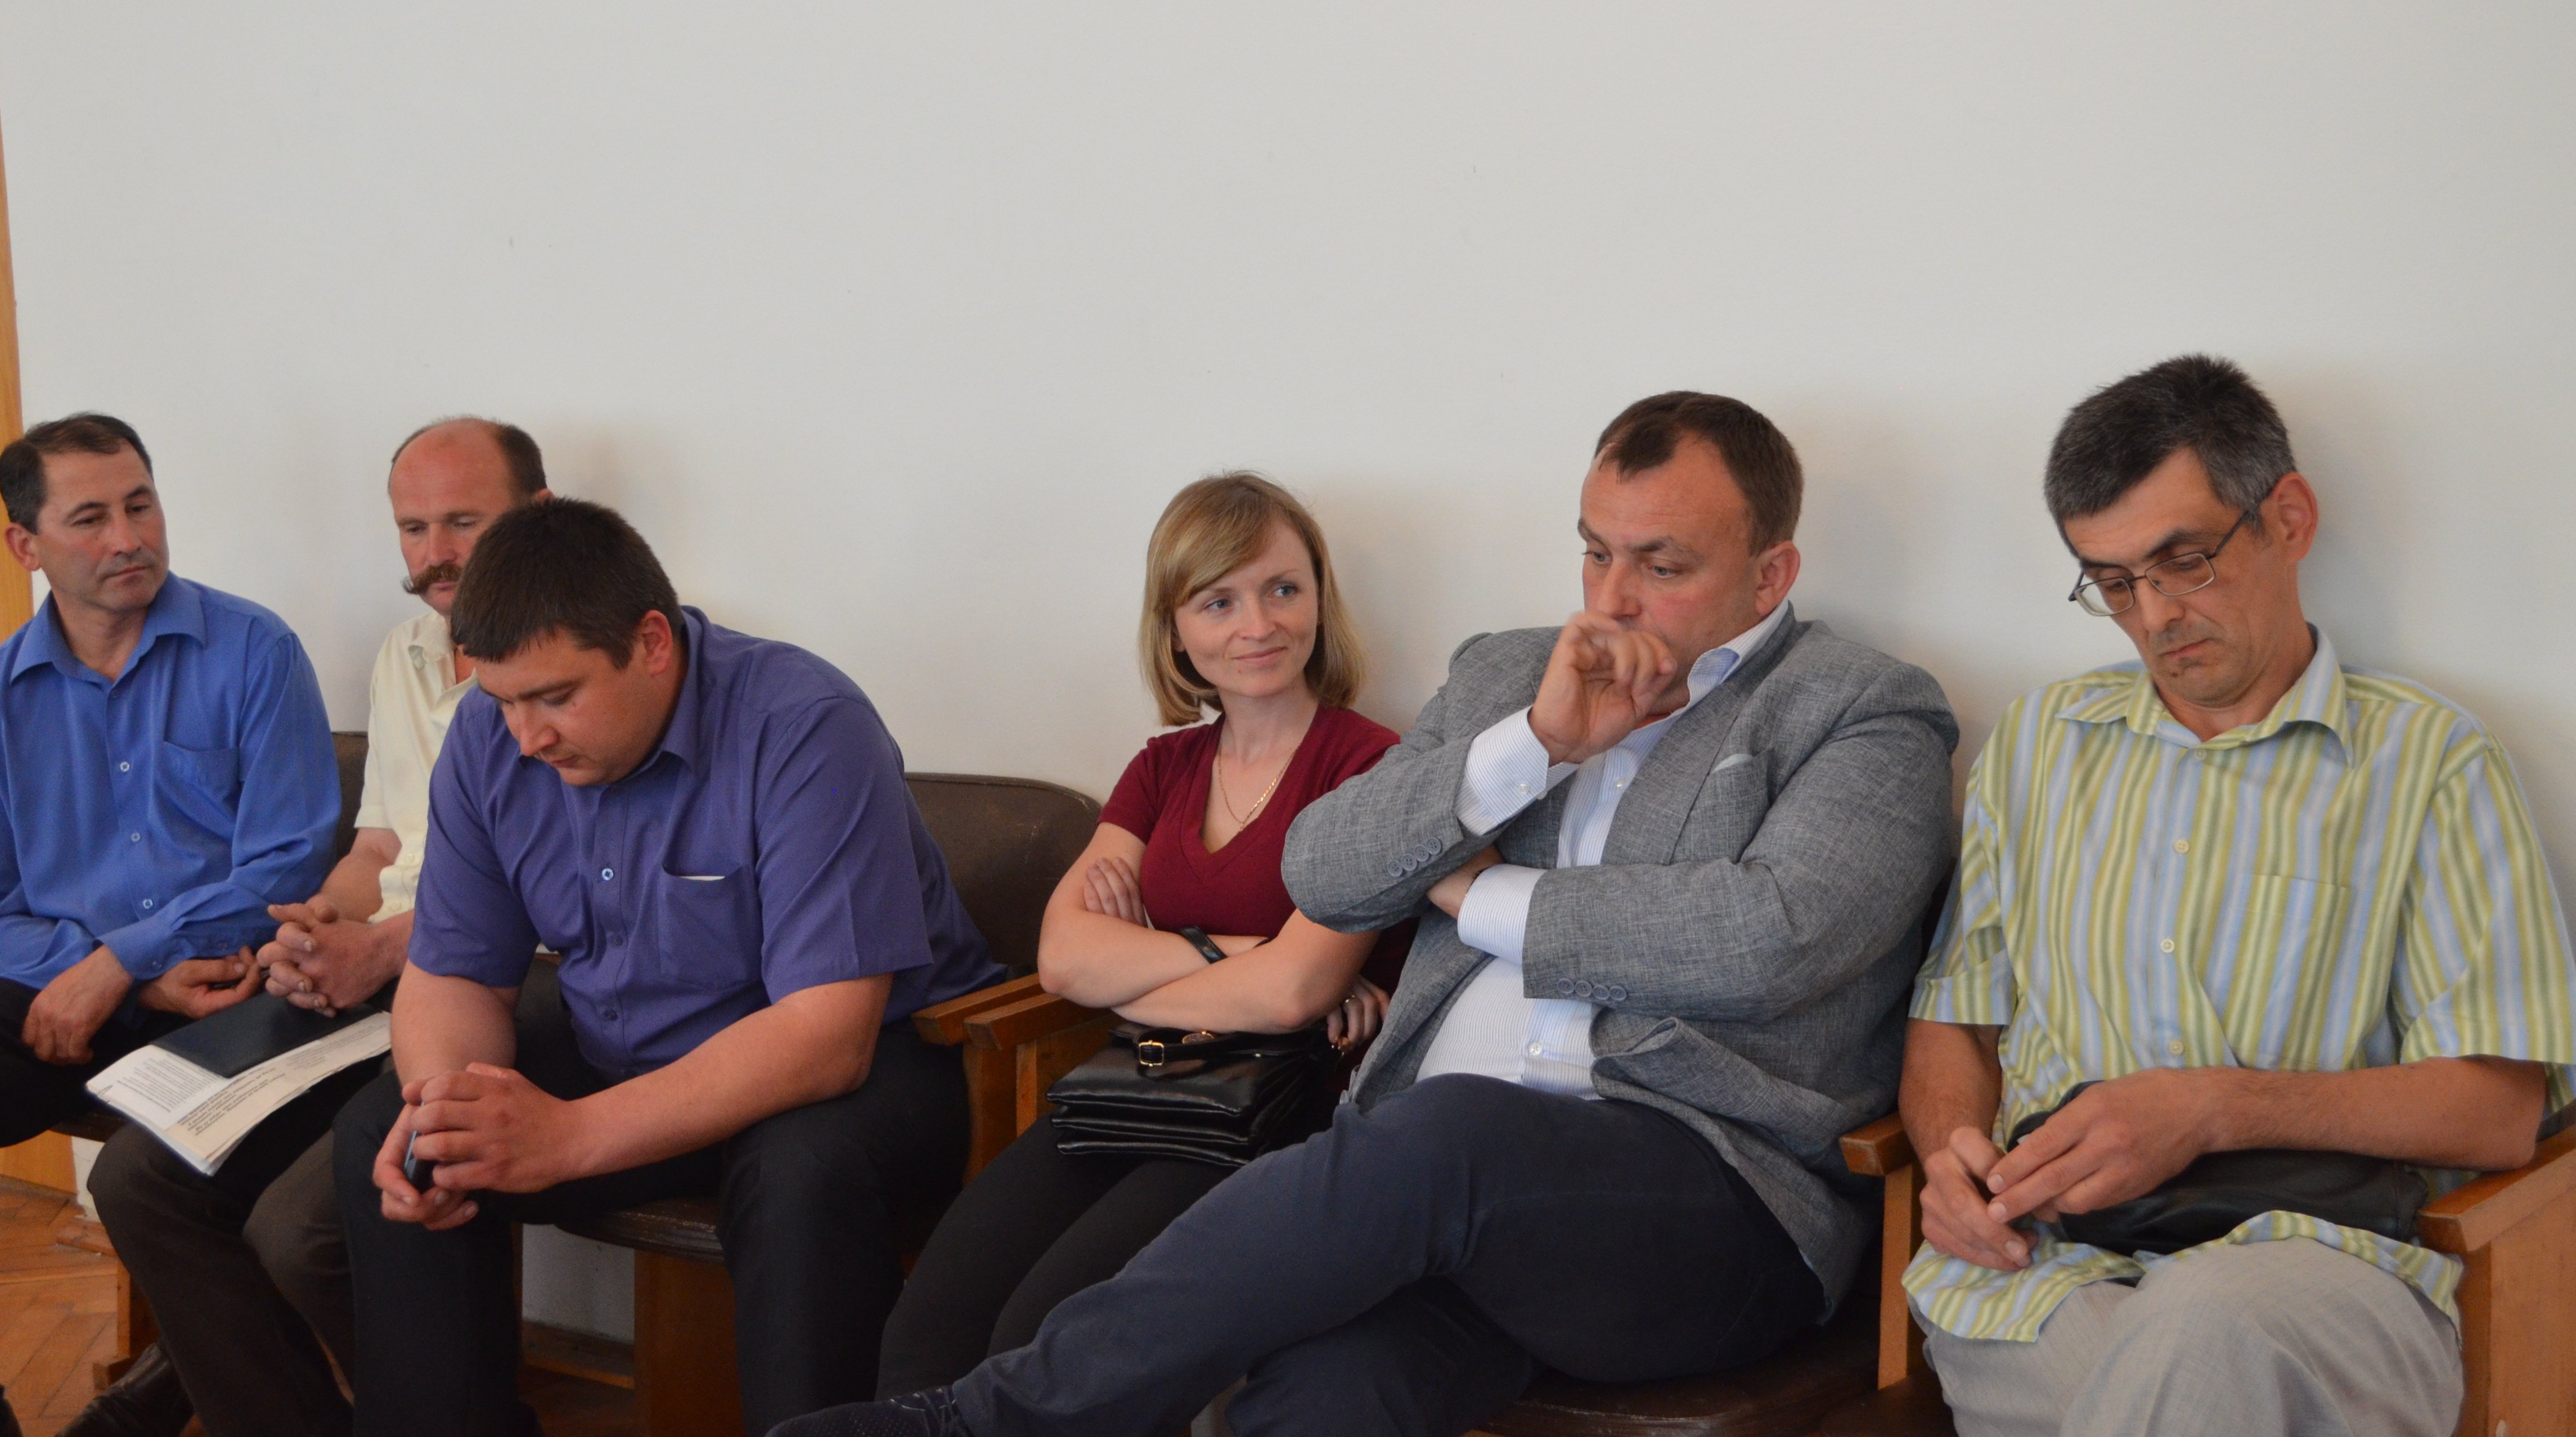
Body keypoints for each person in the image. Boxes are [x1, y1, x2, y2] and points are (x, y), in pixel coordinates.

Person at [777, 390, 1960, 1437]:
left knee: (1453, 1136)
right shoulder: (1508, 676)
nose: (1611, 601)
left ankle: (986, 1423)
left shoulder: (1864, 711)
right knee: (1319, 1394)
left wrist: (1475, 891)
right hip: (1434, 1205)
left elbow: (1768, 938)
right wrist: (1534, 745)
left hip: (1707, 1201)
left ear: (1770, 575)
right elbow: (1329, 868)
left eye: (1662, 565)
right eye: (1595, 553)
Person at [1897, 355, 2576, 1437]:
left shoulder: (2430, 761)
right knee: (2160, 1381)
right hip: (2043, 1270)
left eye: (2185, 561)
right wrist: (1947, 1161)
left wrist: (2212, 1107)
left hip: (2317, 1262)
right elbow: (1957, 1017)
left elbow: (2497, 1109)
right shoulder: (2036, 745)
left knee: (2201, 1331)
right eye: (2115, 583)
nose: (2156, 615)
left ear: (2288, 518)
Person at [330, 496, 1006, 1436]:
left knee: (799, 1174)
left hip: (867, 1061)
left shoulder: (807, 724)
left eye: (555, 698)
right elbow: (455, 975)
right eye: (503, 700)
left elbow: (826, 1037)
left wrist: (568, 1137)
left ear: (651, 642)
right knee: (408, 1129)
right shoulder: (491, 739)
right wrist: (447, 1109)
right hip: (635, 1043)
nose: (526, 737)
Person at [0, 413, 338, 1437]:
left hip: (233, 996)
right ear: (27, 545)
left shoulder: (255, 651)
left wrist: (126, 962)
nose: (128, 538)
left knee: (168, 1171)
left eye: (140, 505)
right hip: (76, 998)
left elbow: (288, 865)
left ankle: (167, 1385)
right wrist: (115, 975)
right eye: (91, 518)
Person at [69, 417, 549, 1437]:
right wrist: (318, 924)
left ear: (539, 516)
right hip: (379, 970)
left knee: (301, 1232)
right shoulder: (406, 653)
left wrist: (379, 949)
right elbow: (377, 847)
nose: (436, 555)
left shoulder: (568, 668)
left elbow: (544, 895)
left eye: (464, 522)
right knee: (137, 1178)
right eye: (413, 529)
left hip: (498, 977)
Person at [878, 474, 1403, 1393]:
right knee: (932, 1320)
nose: (1259, 624)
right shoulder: (1163, 767)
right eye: (1219, 601)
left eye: (1283, 589)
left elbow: (1294, 999)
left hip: (1287, 1111)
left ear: (1320, 598)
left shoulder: (1369, 765)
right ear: (1175, 629)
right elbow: (1064, 960)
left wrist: (1151, 973)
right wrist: (1248, 954)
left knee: (1044, 1335)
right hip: (1145, 1078)